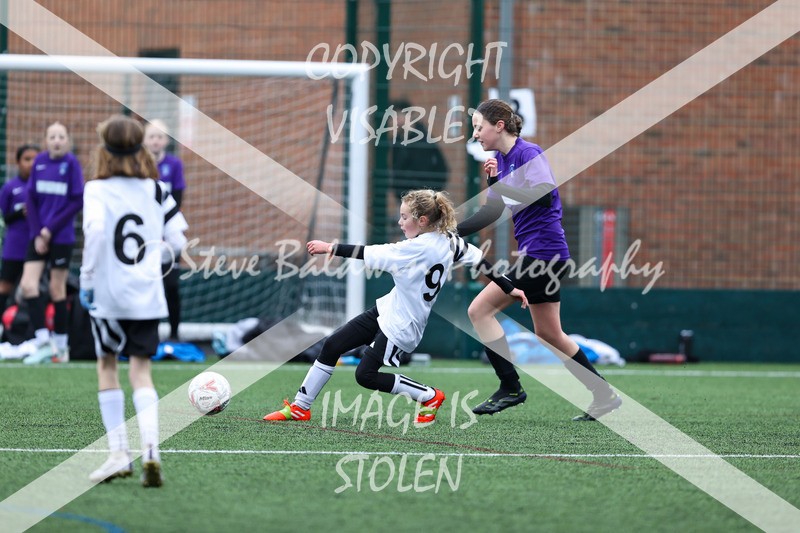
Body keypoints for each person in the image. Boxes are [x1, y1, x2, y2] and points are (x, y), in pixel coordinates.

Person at [264, 189, 528, 424]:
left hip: (403, 323)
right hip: (388, 308)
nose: (400, 222)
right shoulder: (448, 239)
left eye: (404, 217)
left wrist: (330, 247)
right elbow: (479, 259)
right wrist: (509, 287)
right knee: (332, 345)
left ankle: (429, 396)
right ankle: (300, 407)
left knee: (365, 375)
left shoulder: (413, 249)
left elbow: (369, 252)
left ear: (422, 221)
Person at [458, 99, 622, 421]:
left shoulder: (528, 153)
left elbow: (544, 196)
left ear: (499, 126)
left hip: (543, 255)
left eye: (479, 127)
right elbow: (491, 212)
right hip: (544, 255)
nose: (475, 134)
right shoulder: (499, 161)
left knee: (479, 311)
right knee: (549, 333)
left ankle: (511, 387)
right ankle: (604, 396)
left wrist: (497, 184)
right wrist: (451, 231)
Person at [81, 115, 188, 486]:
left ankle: (118, 454)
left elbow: (95, 233)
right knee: (141, 371)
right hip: (147, 295)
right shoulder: (157, 189)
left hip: (109, 295)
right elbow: (179, 241)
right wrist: (150, 261)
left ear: (105, 148)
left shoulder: (96, 189)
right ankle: (152, 451)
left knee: (107, 365)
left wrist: (87, 280)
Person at [19, 122, 84, 364]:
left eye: (61, 136)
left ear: (68, 140)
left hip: (61, 237)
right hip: (38, 236)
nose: (57, 140)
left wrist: (49, 230)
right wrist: (38, 232)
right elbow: (30, 198)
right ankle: (44, 342)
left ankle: (62, 347)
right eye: (52, 136)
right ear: (46, 140)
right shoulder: (39, 162)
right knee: (28, 285)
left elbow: (77, 201)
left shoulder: (72, 164)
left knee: (57, 289)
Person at [144, 119, 185, 340]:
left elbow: (176, 200)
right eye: (151, 136)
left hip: (168, 236)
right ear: (144, 140)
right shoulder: (139, 165)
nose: (155, 141)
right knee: (147, 286)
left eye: (159, 137)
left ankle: (174, 333)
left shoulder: (174, 165)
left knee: (171, 285)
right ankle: (148, 333)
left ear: (166, 141)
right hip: (146, 236)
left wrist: (166, 231)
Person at [0, 144, 39, 323]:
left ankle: (32, 329)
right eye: (26, 159)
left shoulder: (41, 186)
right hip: (14, 247)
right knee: (5, 286)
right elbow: (4, 218)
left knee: (33, 287)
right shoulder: (10, 187)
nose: (31, 163)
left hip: (36, 246)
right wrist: (19, 213)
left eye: (34, 159)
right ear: (18, 162)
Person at [389, 100, 449, 199]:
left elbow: (430, 168)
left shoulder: (422, 138)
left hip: (422, 196)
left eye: (397, 116)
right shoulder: (398, 140)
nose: (394, 121)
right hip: (406, 195)